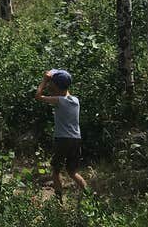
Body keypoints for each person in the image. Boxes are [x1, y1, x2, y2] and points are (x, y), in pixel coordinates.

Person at [35, 69, 88, 200]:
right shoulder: (75, 101)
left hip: (62, 139)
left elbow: (38, 96)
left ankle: (59, 201)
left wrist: (44, 80)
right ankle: (90, 196)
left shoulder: (59, 100)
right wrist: (56, 80)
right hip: (76, 139)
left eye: (52, 84)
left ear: (56, 86)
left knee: (55, 169)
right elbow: (65, 91)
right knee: (72, 172)